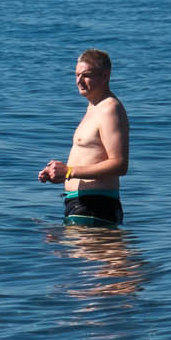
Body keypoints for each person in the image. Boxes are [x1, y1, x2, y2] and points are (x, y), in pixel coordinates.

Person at [36, 49, 130, 226]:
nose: (79, 81)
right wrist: (59, 175)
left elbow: (119, 164)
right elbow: (91, 157)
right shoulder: (94, 108)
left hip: (95, 206)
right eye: (77, 75)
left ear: (105, 76)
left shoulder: (110, 109)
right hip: (81, 204)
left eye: (86, 75)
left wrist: (70, 172)